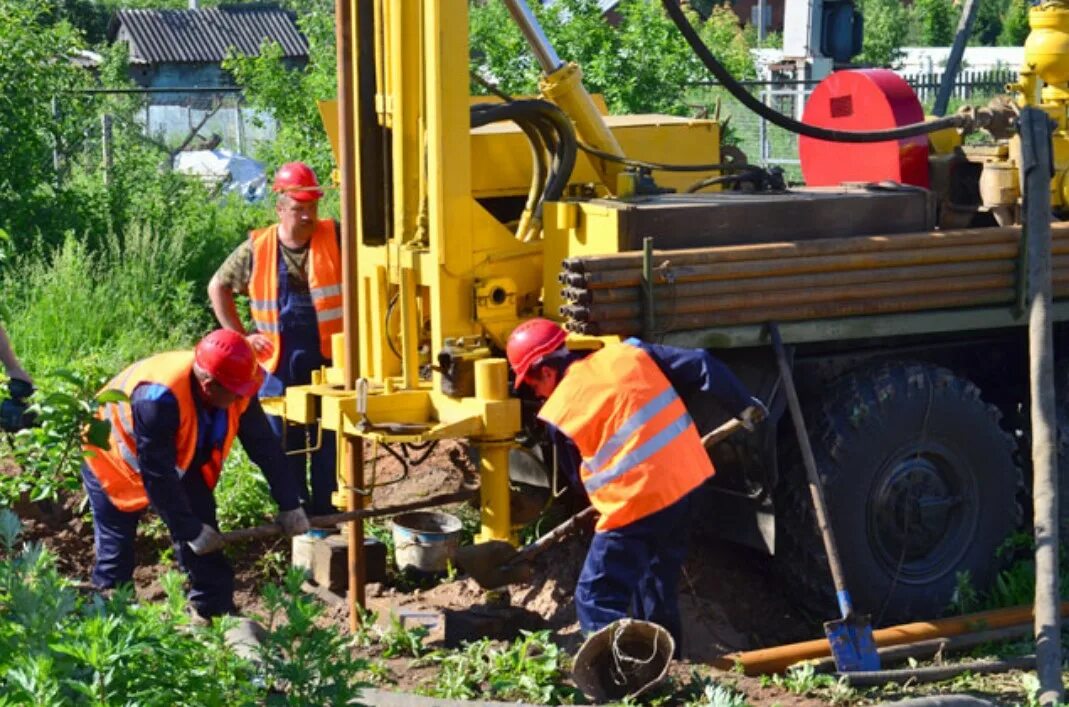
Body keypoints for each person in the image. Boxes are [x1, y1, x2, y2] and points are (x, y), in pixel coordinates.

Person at [506, 318, 765, 650]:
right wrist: (744, 406)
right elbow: (702, 363)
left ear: (545, 371)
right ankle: (667, 664)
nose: (536, 393)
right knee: (655, 582)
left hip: (638, 503)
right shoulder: (628, 353)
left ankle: (619, 676)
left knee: (594, 597)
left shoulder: (562, 414)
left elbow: (579, 484)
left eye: (531, 384)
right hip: (688, 483)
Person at [82, 329, 310, 619]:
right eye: (235, 391)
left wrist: (290, 503)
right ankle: (110, 619)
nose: (243, 396)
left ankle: (213, 612)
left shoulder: (239, 386)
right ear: (208, 385)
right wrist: (189, 530)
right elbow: (158, 475)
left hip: (176, 457)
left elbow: (264, 446)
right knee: (117, 548)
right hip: (110, 457)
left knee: (204, 530)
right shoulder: (158, 398)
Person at [207, 162, 341, 515]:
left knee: (330, 447)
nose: (308, 216)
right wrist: (241, 339)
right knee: (284, 450)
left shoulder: (337, 237)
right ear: (280, 208)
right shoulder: (257, 248)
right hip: (276, 368)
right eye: (299, 209)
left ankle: (327, 518)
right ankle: (295, 519)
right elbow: (217, 286)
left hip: (330, 364)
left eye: (312, 207)